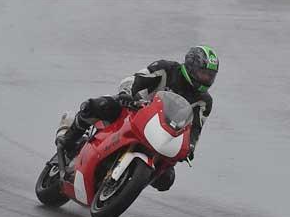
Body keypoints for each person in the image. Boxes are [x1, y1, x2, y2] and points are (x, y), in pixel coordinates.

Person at [58, 45, 219, 191]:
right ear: (191, 67)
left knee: (166, 180)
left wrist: (189, 147)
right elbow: (136, 79)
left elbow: (196, 128)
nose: (206, 79)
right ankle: (69, 140)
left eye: (210, 76)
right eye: (203, 73)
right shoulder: (166, 69)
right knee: (96, 106)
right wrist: (126, 94)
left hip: (163, 134)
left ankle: (127, 183)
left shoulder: (204, 101)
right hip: (133, 110)